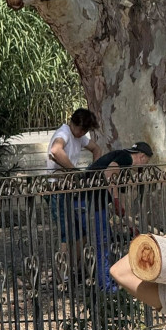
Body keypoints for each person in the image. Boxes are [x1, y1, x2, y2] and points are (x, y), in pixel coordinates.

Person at [85, 142, 153, 291]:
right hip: (93, 200)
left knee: (106, 239)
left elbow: (120, 193)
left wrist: (128, 222)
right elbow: (108, 175)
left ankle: (108, 281)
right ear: (141, 156)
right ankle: (106, 286)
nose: (143, 167)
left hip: (97, 200)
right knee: (103, 241)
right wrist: (115, 201)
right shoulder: (126, 158)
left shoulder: (125, 165)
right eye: (145, 162)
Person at [46, 108, 101, 257]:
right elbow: (56, 150)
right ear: (73, 123)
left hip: (72, 189)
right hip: (58, 189)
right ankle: (63, 276)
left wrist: (92, 174)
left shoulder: (79, 137)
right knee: (66, 234)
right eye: (81, 129)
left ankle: (75, 270)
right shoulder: (64, 133)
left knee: (81, 233)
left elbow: (96, 149)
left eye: (85, 130)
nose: (82, 133)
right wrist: (74, 171)